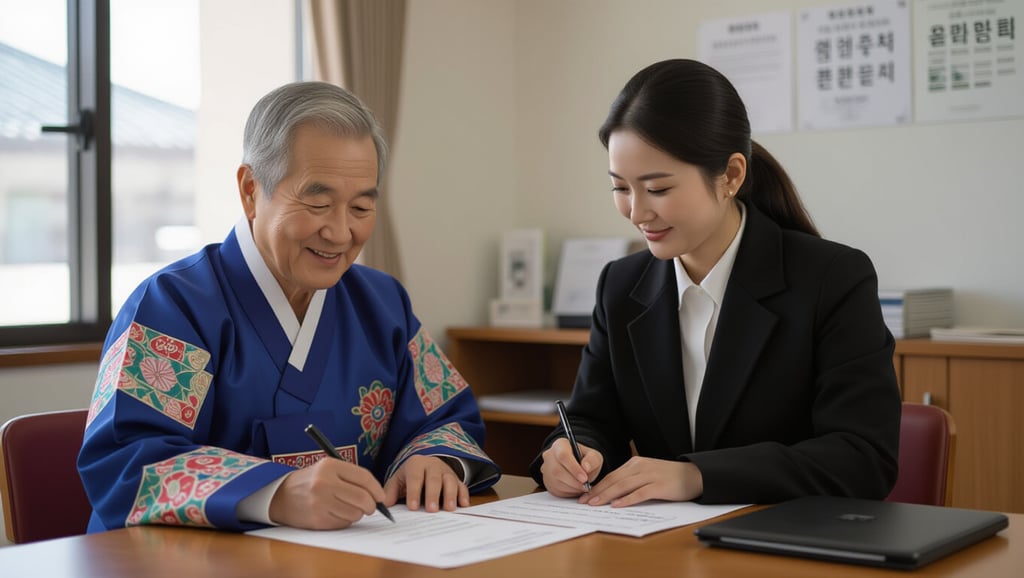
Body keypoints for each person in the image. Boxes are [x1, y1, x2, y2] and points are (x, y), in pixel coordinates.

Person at [78, 82, 499, 533]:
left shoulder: (382, 304)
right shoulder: (172, 304)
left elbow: (446, 417)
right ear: (250, 190)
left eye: (360, 207)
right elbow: (126, 458)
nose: (340, 233)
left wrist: (433, 460)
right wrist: (275, 494)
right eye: (318, 203)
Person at [531, 59, 901, 508]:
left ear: (730, 176)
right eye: (620, 188)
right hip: (660, 546)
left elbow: (862, 459)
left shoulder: (832, 279)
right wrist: (570, 454)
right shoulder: (620, 285)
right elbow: (592, 419)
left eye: (658, 189)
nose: (636, 211)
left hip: (790, 544)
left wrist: (696, 477)